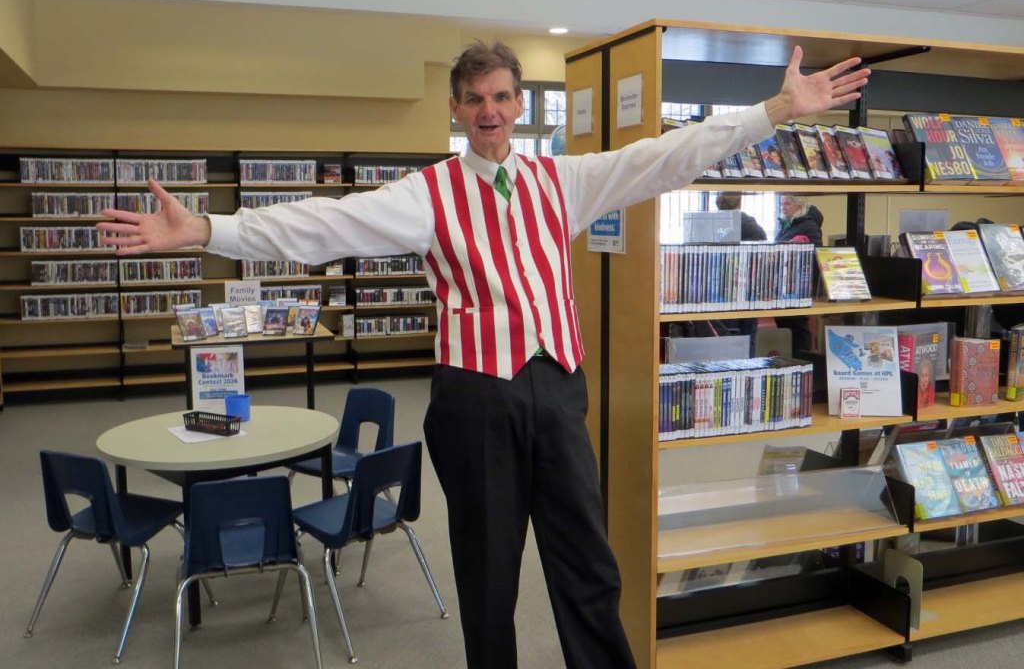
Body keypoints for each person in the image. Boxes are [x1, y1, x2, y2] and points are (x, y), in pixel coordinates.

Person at [97, 40, 868, 669]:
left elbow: (668, 155)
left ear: (519, 104)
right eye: (474, 100)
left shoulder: (564, 180)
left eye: (501, 97)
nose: (489, 112)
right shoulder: (427, 193)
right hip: (476, 401)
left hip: (558, 393)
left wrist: (774, 111)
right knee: (489, 574)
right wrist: (209, 230)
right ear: (457, 109)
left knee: (588, 564)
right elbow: (324, 224)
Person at [715, 192, 766, 353]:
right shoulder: (753, 227)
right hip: (750, 290)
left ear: (718, 203)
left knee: (725, 338)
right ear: (740, 203)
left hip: (722, 291)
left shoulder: (714, 226)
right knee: (748, 337)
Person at [775, 194, 823, 354]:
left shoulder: (809, 226)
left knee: (797, 327)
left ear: (799, 205)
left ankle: (803, 359)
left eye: (787, 204)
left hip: (798, 286)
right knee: (787, 326)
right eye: (782, 204)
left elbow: (815, 255)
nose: (783, 207)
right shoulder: (787, 225)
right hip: (785, 284)